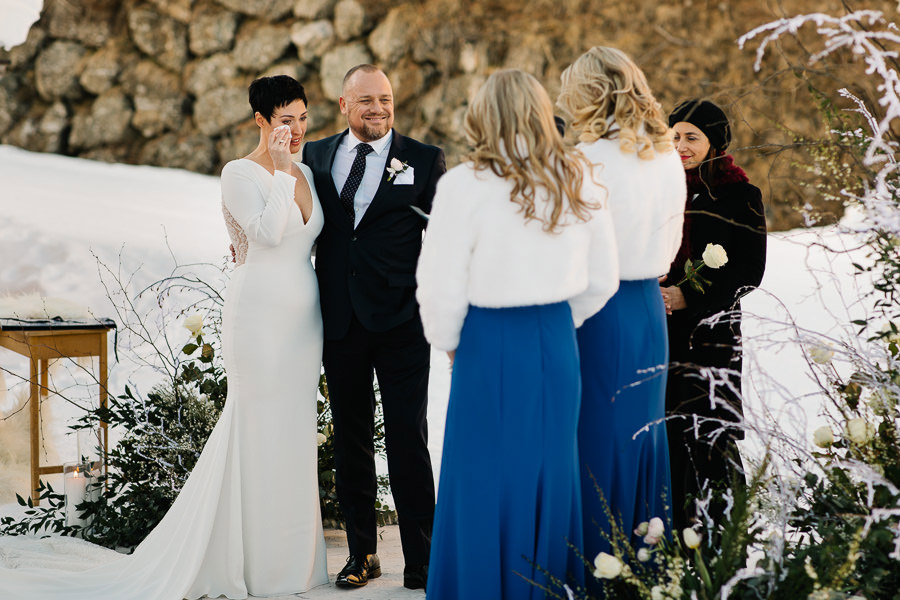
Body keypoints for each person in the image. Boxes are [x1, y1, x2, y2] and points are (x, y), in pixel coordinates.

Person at [0, 75, 329, 598]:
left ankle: (295, 561)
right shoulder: (239, 174)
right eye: (284, 120)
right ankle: (252, 562)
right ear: (261, 122)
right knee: (255, 426)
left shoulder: (309, 170)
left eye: (302, 118)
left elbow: (314, 240)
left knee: (293, 428)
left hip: (303, 324)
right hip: (259, 316)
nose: (295, 130)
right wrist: (282, 172)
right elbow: (265, 236)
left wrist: (295, 171)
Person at [417, 68, 620, 600]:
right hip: (554, 340)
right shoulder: (577, 175)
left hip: (486, 340)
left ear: (483, 114)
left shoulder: (465, 184)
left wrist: (451, 340)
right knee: (548, 472)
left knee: (481, 473)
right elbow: (603, 279)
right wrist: (557, 322)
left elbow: (439, 282)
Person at [301, 64, 445, 591]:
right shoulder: (314, 156)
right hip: (340, 321)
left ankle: (422, 559)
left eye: (384, 98)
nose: (377, 109)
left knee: (409, 440)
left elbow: (446, 242)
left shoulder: (426, 160)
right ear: (343, 104)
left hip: (404, 322)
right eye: (365, 100)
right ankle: (362, 553)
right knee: (351, 440)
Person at [556, 46, 685, 586]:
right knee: (641, 441)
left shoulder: (586, 161)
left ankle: (593, 576)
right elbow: (673, 243)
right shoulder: (664, 157)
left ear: (590, 94)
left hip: (597, 314)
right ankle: (648, 573)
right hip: (647, 315)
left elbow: (569, 250)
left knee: (594, 442)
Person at [660, 99, 767, 530]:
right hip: (660, 331)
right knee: (665, 435)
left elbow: (748, 272)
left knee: (710, 434)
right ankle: (669, 546)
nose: (681, 145)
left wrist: (689, 296)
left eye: (692, 137)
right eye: (675, 136)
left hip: (712, 335)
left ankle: (724, 545)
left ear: (715, 142)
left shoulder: (740, 195)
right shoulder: (660, 189)